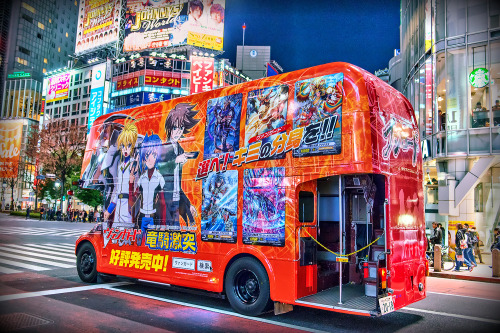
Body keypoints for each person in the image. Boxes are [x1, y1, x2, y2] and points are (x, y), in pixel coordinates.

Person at [104, 122, 138, 228]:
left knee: (126, 232)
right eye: (123, 146)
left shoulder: (133, 163)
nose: (125, 149)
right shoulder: (120, 166)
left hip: (127, 204)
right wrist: (109, 210)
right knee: (116, 235)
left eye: (128, 146)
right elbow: (117, 190)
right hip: (118, 204)